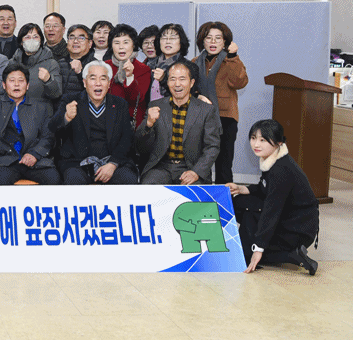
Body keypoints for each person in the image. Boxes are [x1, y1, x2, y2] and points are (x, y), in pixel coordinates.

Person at [228, 119, 319, 275]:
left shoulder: (282, 170)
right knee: (240, 202)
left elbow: (272, 211)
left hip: (298, 229)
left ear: (278, 142)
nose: (256, 144)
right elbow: (264, 187)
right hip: (288, 218)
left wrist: (258, 248)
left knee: (250, 212)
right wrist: (242, 188)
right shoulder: (273, 160)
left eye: (263, 140)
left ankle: (289, 254)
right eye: (253, 138)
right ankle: (254, 248)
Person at [50, 61, 138, 185]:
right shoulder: (70, 100)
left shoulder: (120, 104)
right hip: (78, 164)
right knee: (73, 180)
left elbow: (127, 138)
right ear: (84, 82)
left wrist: (113, 164)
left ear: (109, 83)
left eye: (103, 79)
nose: (98, 83)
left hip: (111, 161)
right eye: (93, 78)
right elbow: (52, 128)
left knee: (127, 179)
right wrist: (66, 117)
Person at [136, 61, 221, 185]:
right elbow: (140, 147)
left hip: (191, 167)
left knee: (193, 191)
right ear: (167, 82)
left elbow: (212, 147)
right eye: (172, 79)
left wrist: (196, 172)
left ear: (191, 83)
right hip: (161, 167)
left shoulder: (206, 110)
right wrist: (148, 124)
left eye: (182, 79)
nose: (177, 84)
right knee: (149, 187)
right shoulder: (156, 106)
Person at [0, 62, 60, 185]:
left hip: (35, 160)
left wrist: (34, 154)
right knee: (1, 181)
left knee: (53, 178)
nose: (16, 84)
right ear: (4, 85)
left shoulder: (40, 107)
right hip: (4, 162)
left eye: (21, 81)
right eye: (12, 80)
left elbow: (48, 137)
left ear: (27, 85)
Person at [195, 21, 249, 184]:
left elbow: (239, 82)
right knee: (199, 161)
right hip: (200, 116)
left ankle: (225, 197)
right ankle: (202, 193)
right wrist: (197, 96)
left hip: (225, 117)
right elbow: (189, 87)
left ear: (225, 42)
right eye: (208, 37)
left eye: (218, 38)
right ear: (202, 41)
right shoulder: (195, 62)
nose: (213, 42)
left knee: (224, 165)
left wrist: (232, 57)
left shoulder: (231, 61)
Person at [106, 24, 152, 128]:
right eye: (116, 43)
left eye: (126, 42)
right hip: (108, 122)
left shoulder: (143, 69)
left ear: (133, 45)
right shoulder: (105, 66)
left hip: (131, 124)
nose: (121, 47)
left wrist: (130, 76)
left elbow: (136, 99)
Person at [9, 23, 62, 105]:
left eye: (35, 37)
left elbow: (56, 94)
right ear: (21, 42)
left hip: (40, 111)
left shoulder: (51, 64)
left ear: (40, 41)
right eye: (27, 37)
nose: (31, 40)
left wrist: (48, 80)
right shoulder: (12, 63)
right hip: (15, 109)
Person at [149, 23, 190, 99]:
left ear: (181, 42)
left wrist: (163, 79)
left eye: (172, 38)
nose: (168, 42)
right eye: (164, 38)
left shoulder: (189, 66)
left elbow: (186, 95)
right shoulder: (151, 65)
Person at [60, 24, 94, 97]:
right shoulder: (60, 63)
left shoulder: (95, 65)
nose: (75, 41)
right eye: (71, 37)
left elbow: (95, 91)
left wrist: (80, 73)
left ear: (90, 43)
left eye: (81, 38)